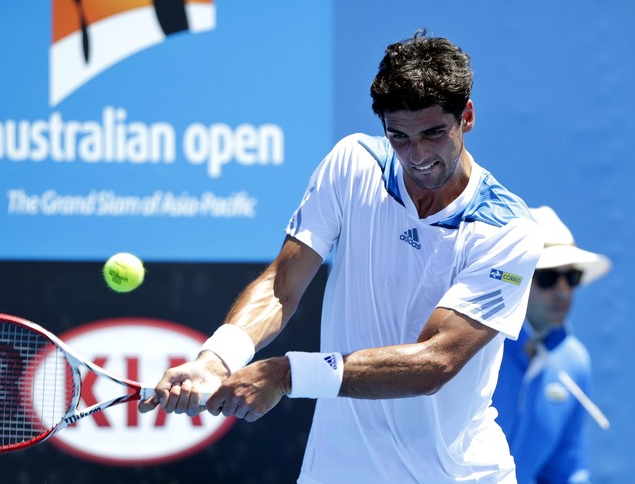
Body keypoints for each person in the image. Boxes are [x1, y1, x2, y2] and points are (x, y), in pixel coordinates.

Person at [140, 29, 543, 482]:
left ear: (466, 117)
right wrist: (217, 358)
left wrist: (288, 373)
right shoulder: (353, 163)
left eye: (434, 133)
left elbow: (434, 361)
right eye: (399, 136)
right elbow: (281, 286)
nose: (418, 155)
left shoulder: (507, 229)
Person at [493, 206, 612, 484]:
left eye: (571, 278)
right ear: (516, 280)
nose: (563, 291)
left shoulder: (575, 360)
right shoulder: (475, 345)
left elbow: (567, 471)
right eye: (547, 277)